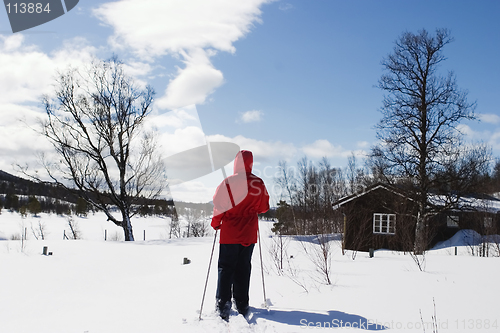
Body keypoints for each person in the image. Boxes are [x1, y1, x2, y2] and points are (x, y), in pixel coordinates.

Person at [211, 150, 270, 320]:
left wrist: (216, 223)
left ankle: (223, 303)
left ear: (236, 162)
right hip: (248, 233)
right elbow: (264, 207)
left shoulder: (228, 182)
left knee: (226, 267)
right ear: (251, 163)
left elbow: (219, 205)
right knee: (243, 267)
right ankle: (242, 302)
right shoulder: (258, 183)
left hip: (230, 233)